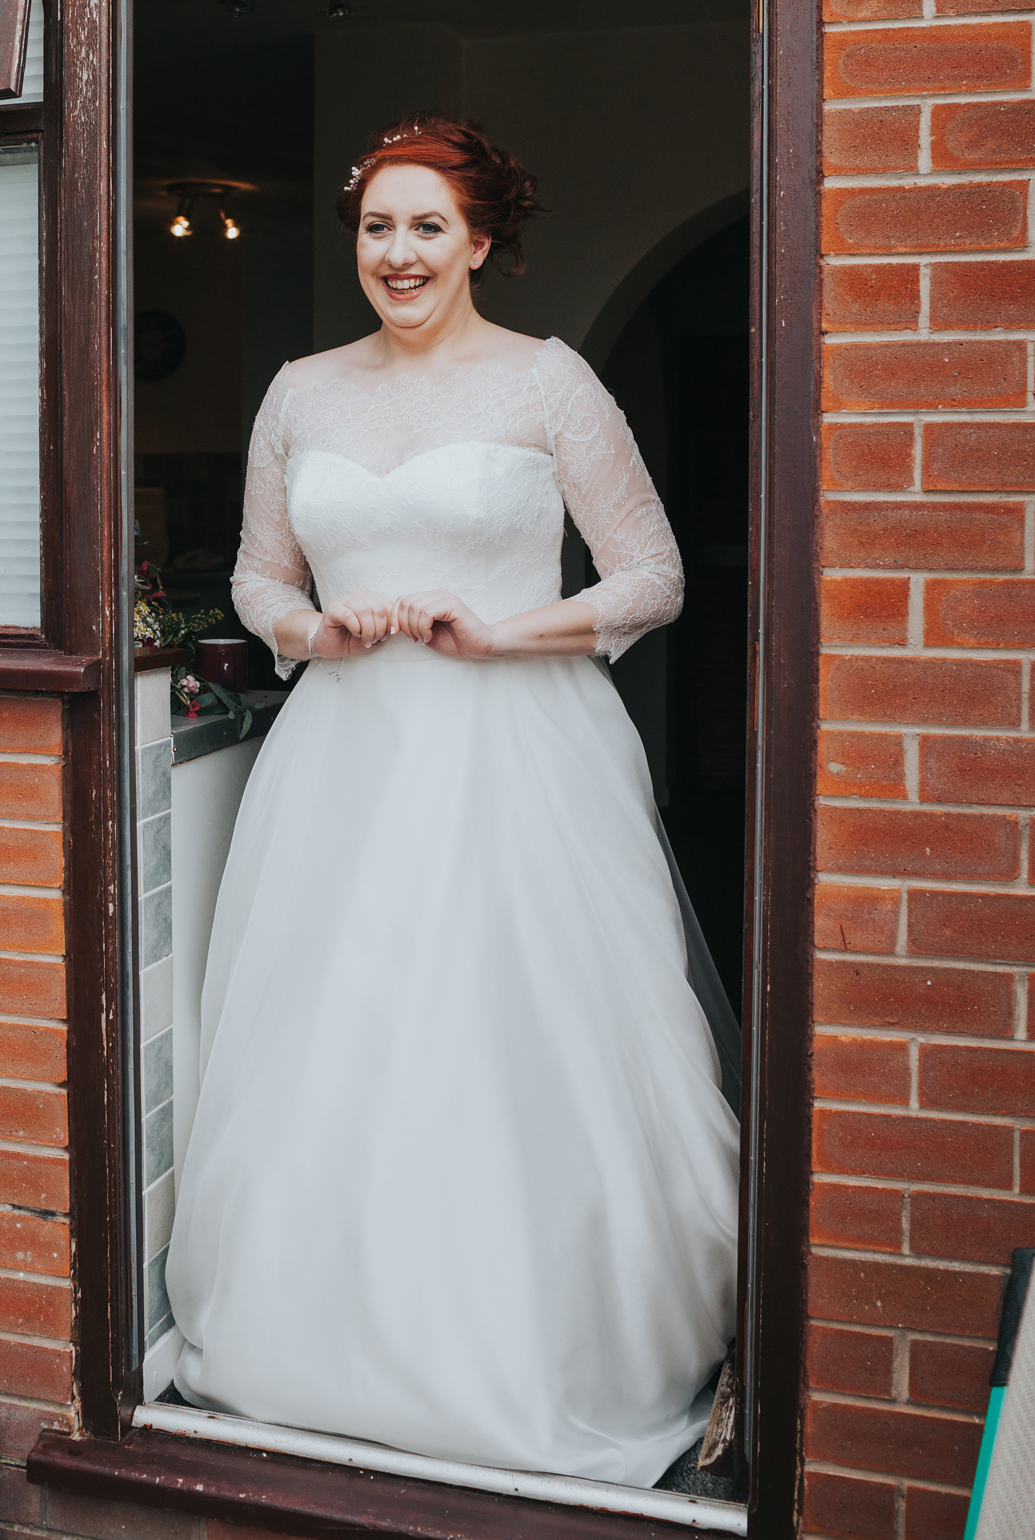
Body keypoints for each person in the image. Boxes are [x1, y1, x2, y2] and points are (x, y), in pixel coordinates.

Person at [165, 114, 740, 1489]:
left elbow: (652, 575)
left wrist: (504, 633)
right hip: (346, 763)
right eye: (376, 226)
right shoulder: (301, 392)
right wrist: (316, 632)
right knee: (343, 1038)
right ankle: (328, 1349)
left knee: (507, 1040)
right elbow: (256, 578)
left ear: (481, 240)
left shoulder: (550, 385)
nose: (398, 252)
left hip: (518, 757)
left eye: (428, 227)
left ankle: (535, 1357)